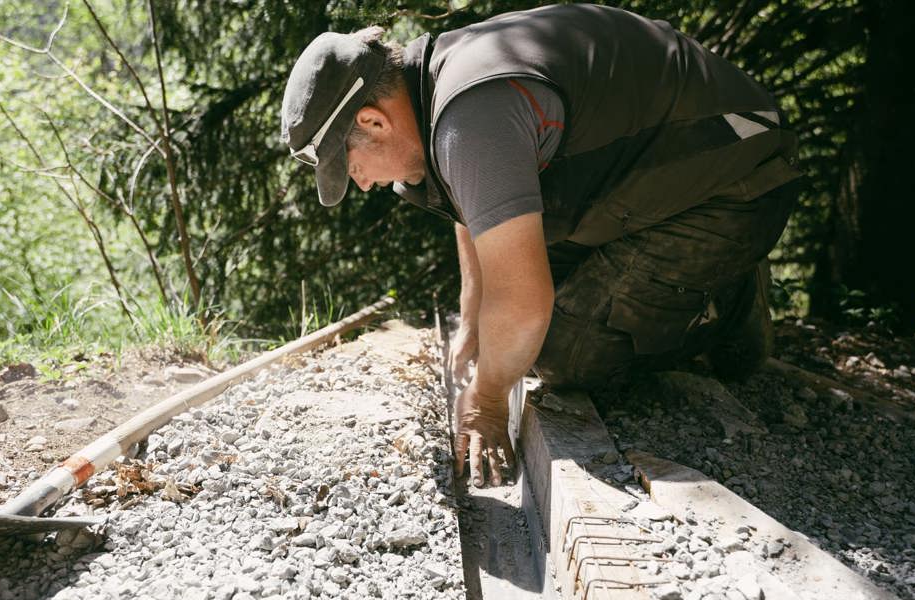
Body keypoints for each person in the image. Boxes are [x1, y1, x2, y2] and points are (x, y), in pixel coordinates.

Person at [280, 4, 802, 488]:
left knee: (561, 354)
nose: (363, 184)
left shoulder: (472, 116)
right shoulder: (436, 91)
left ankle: (730, 300)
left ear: (373, 121)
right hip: (651, 182)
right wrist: (474, 316)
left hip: (737, 180)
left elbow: (524, 302)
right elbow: (473, 204)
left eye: (351, 166)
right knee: (517, 330)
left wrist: (486, 400)